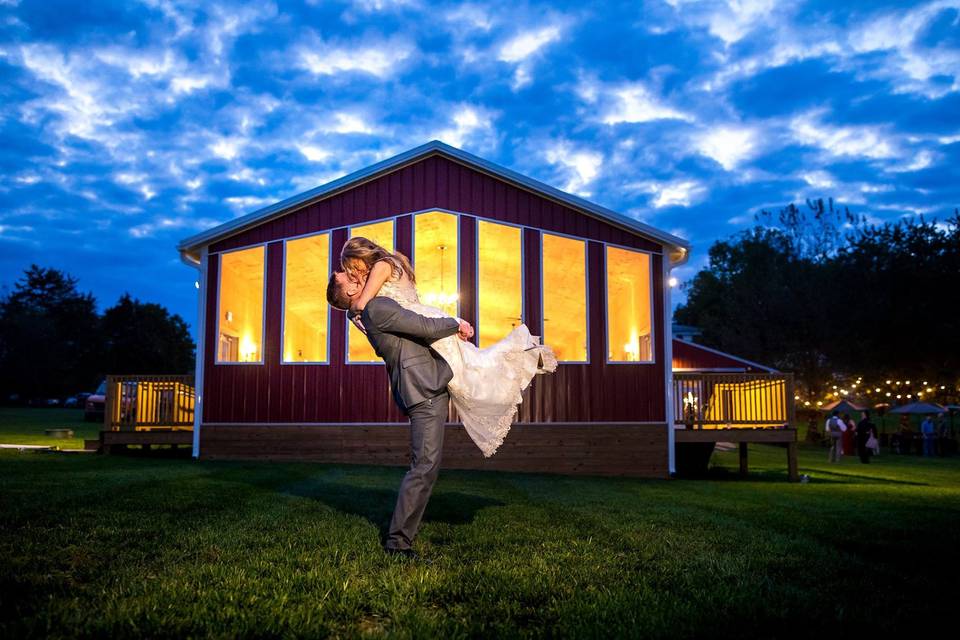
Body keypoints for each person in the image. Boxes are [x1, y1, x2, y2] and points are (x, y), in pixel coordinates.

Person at [340, 236, 557, 458]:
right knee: (469, 366)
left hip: (423, 322)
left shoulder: (382, 265)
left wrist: (351, 312)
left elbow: (361, 303)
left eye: (352, 268)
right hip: (427, 316)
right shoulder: (395, 261)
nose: (354, 274)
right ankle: (524, 358)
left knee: (470, 372)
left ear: (362, 256)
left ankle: (522, 354)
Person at [326, 267, 473, 558]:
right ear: (353, 291)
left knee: (426, 465)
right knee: (424, 467)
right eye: (345, 275)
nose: (351, 272)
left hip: (423, 384)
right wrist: (457, 323)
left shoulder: (369, 308)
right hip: (423, 390)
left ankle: (400, 537)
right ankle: (397, 543)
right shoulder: (378, 308)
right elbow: (425, 326)